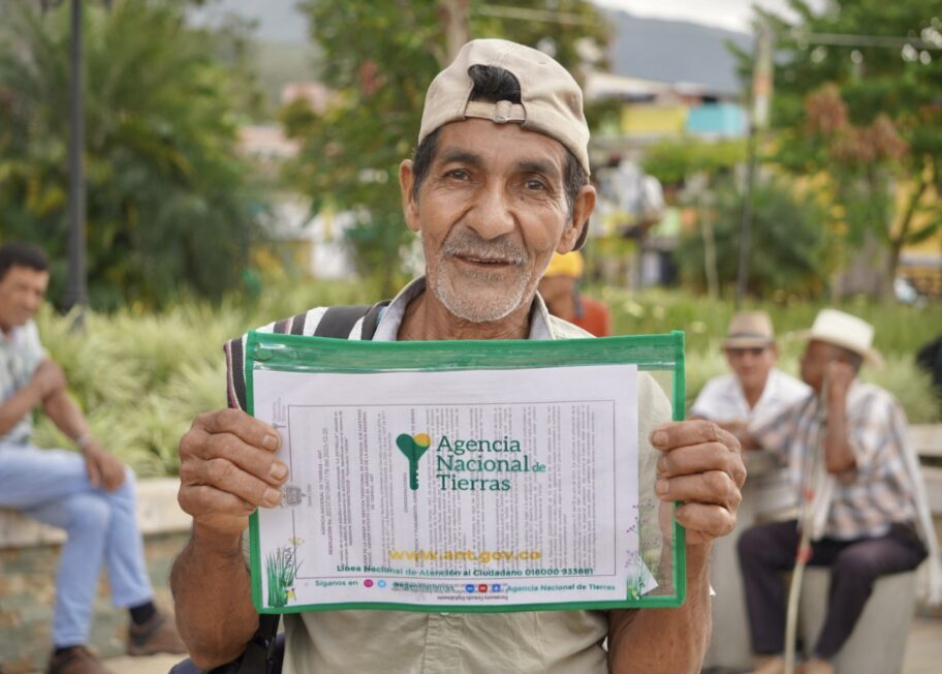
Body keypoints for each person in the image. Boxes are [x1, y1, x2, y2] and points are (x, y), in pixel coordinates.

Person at [170, 39, 746, 674]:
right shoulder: (301, 372)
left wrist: (692, 544)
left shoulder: (627, 401)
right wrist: (216, 532)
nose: (493, 219)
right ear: (413, 195)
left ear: (574, 219)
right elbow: (213, 645)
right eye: (460, 176)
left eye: (532, 185)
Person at [0, 242, 185, 674]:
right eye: (20, 288)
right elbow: (42, 389)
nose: (30, 301)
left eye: (38, 292)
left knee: (92, 513)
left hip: (14, 459)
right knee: (120, 482)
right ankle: (143, 619)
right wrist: (36, 389)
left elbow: (56, 395)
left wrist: (91, 446)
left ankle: (67, 649)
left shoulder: (24, 332)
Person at [738, 309, 940, 674]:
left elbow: (838, 462)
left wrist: (837, 398)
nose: (800, 361)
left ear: (841, 365)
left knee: (856, 563)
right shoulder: (805, 408)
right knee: (756, 543)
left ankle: (821, 659)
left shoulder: (876, 405)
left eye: (812, 355)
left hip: (892, 535)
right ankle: (771, 656)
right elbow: (754, 433)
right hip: (831, 532)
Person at [690, 311, 809, 517]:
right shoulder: (716, 388)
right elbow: (692, 427)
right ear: (728, 355)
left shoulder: (797, 394)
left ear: (774, 353)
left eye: (756, 351)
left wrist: (728, 431)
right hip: (722, 500)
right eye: (739, 352)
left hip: (783, 504)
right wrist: (740, 432)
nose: (747, 361)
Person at [538, 250, 612, 336]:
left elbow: (603, 349)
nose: (540, 282)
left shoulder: (597, 314)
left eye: (547, 277)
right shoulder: (534, 317)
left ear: (569, 278)